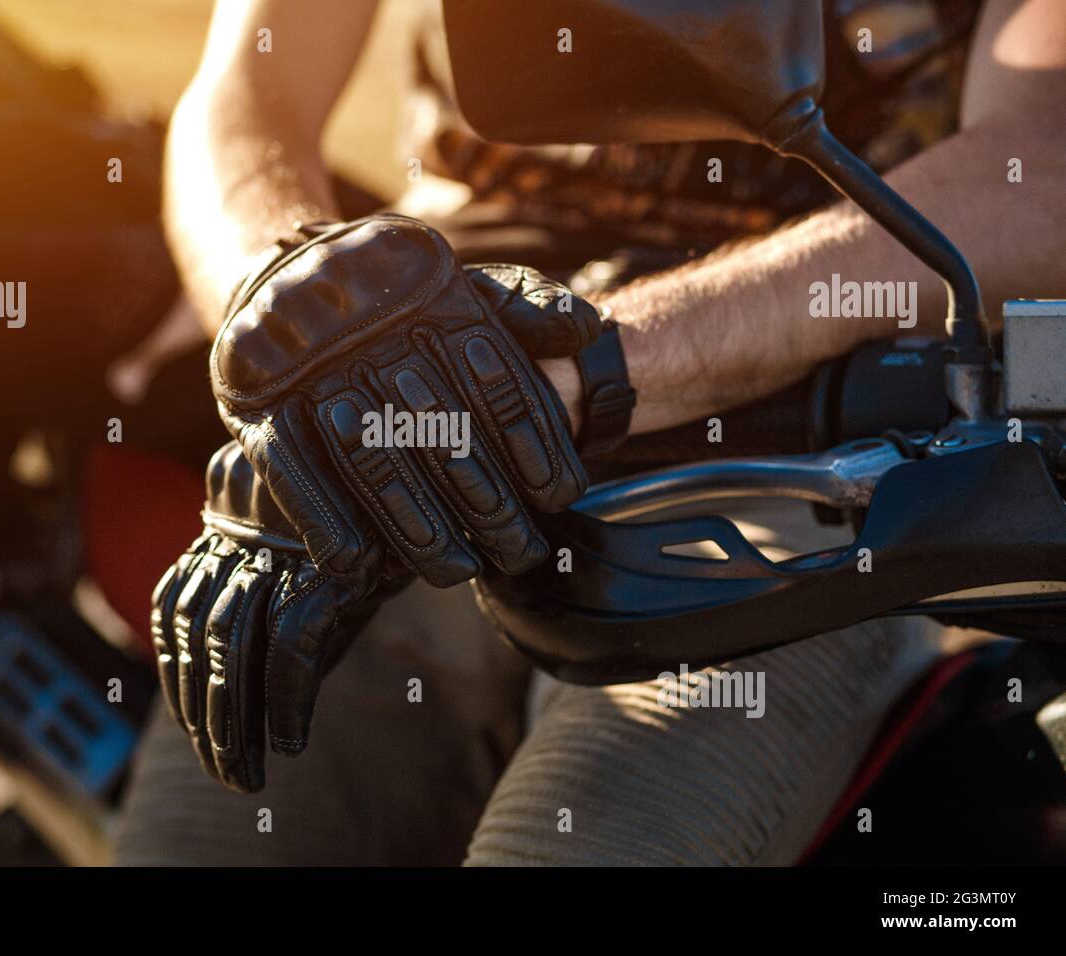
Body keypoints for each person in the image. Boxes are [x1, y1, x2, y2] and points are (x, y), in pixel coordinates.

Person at [115, 0, 1066, 865]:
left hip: (799, 485)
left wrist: (575, 377)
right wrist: (291, 324)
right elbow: (247, 87)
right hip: (410, 421)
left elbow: (1039, 162)